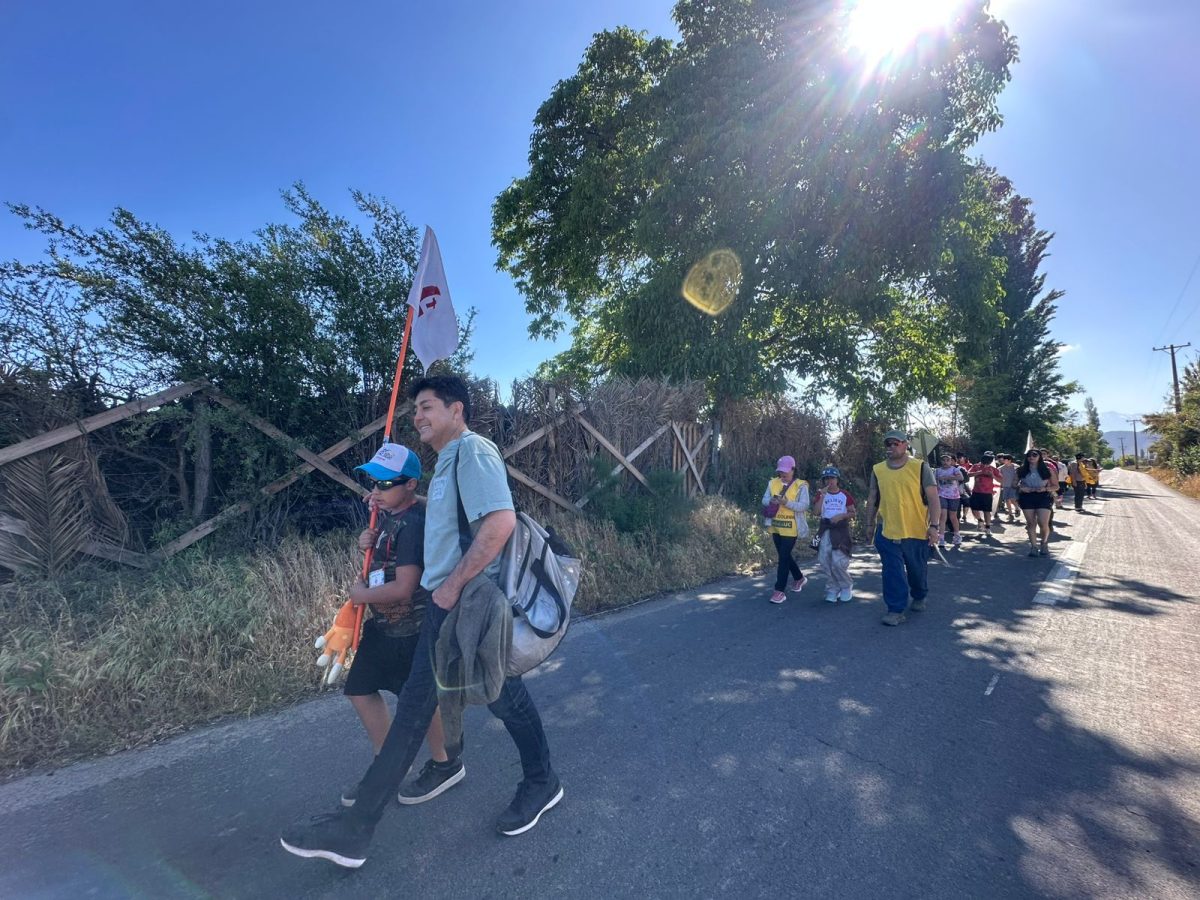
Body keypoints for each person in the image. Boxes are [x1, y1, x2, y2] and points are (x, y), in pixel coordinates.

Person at [282, 375, 561, 869]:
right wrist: (396, 509)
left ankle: (538, 781)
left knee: (476, 699)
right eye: (414, 410)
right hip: (449, 602)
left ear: (457, 410)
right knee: (452, 703)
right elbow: (453, 521)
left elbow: (500, 523)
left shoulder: (473, 450)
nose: (418, 417)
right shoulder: (450, 461)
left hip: (462, 602)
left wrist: (449, 587)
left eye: (427, 407)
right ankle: (359, 827)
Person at [339, 443, 463, 809]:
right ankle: (387, 763)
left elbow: (405, 587)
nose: (376, 489)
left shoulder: (413, 525)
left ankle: (446, 762)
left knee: (419, 701)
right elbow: (382, 558)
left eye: (385, 482)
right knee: (360, 689)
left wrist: (361, 596)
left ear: (410, 485)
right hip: (382, 627)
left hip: (411, 629)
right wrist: (369, 538)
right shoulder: (387, 513)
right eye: (372, 480)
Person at [864, 430, 940, 626]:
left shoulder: (920, 467)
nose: (890, 447)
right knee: (892, 572)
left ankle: (920, 595)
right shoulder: (878, 469)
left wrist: (934, 526)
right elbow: (872, 498)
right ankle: (895, 609)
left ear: (906, 444)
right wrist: (869, 524)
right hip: (887, 530)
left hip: (916, 531)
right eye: (887, 444)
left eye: (895, 443)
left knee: (917, 570)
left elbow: (933, 498)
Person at [762, 455, 810, 604]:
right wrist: (771, 500)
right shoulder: (772, 483)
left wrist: (786, 502)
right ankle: (799, 578)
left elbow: (804, 506)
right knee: (785, 556)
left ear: (793, 470)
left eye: (785, 471)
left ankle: (779, 591)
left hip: (791, 528)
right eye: (780, 471)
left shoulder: (801, 485)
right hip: (776, 526)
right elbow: (764, 500)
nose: (782, 474)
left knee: (783, 558)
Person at [811, 466, 856, 603]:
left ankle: (846, 586)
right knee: (825, 559)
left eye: (832, 478)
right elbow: (816, 512)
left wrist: (842, 516)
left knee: (838, 561)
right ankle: (833, 588)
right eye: (826, 479)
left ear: (837, 479)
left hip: (840, 529)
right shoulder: (821, 495)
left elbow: (853, 513)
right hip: (825, 528)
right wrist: (822, 496)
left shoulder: (844, 495)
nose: (829, 481)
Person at [1016, 448, 1058, 556]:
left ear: (1040, 457)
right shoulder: (1021, 470)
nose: (1031, 457)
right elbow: (1014, 484)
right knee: (1031, 523)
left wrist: (1045, 489)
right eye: (1029, 455)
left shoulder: (1048, 469)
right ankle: (1033, 547)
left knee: (1043, 523)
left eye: (1035, 455)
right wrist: (1021, 487)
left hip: (1043, 496)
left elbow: (1056, 486)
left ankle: (1044, 543)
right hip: (1027, 497)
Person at [934, 453, 964, 549]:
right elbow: (934, 481)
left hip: (954, 495)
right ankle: (941, 538)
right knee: (943, 516)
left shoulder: (955, 470)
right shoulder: (937, 471)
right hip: (941, 494)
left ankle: (957, 535)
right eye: (943, 460)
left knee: (953, 516)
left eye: (947, 460)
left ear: (951, 461)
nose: (945, 462)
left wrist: (947, 478)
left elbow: (961, 478)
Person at [966, 453, 1002, 534]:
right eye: (984, 462)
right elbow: (968, 474)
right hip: (976, 492)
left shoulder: (993, 469)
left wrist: (992, 475)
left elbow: (1001, 480)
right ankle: (980, 520)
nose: (985, 464)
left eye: (988, 463)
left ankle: (988, 527)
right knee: (974, 508)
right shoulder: (976, 466)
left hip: (987, 493)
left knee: (987, 511)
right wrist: (979, 472)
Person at [997, 453, 1020, 521]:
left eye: (1005, 459)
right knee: (1007, 500)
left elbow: (1020, 476)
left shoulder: (1016, 467)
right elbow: (998, 476)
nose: (1003, 460)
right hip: (1005, 486)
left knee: (1012, 498)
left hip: (1014, 485)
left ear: (1009, 460)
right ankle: (1010, 514)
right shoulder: (1000, 468)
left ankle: (1017, 508)